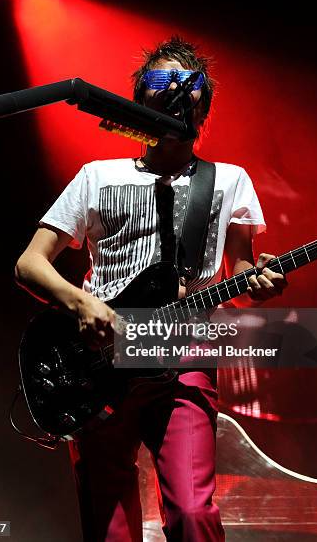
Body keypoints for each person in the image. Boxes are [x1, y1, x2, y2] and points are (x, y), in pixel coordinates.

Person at [15, 36, 288, 541]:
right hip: (98, 359)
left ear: (205, 101)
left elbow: (245, 275)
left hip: (183, 355)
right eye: (163, 81)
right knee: (110, 522)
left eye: (192, 84)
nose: (179, 92)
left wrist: (261, 280)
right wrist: (83, 304)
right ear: (139, 97)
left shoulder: (228, 181)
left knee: (192, 512)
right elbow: (30, 263)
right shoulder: (97, 176)